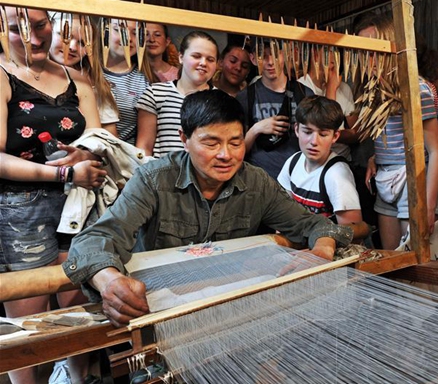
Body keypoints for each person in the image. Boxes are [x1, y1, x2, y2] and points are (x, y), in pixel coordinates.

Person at [63, 89, 352, 327]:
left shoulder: (256, 183)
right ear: (184, 139)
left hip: (234, 309)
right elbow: (95, 239)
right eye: (211, 143)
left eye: (235, 142)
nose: (226, 155)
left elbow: (313, 224)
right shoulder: (154, 180)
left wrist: (322, 251)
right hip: (165, 311)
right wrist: (110, 281)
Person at [0, 8, 107, 384]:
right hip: (20, 209)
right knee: (26, 321)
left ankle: (77, 379)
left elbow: (99, 139)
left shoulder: (77, 80)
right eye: (17, 29)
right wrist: (62, 171)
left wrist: (89, 153)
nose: (32, 37)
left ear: (53, 26)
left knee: (77, 307)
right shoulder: (1, 76)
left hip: (79, 203)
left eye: (41, 26)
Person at [358, 15, 438, 250]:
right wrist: (376, 157)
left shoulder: (417, 88)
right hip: (385, 178)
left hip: (414, 180)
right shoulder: (373, 88)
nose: (368, 56)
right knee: (391, 260)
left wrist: (427, 205)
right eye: (362, 48)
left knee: (418, 263)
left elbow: (436, 151)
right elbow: (392, 136)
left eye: (374, 46)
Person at [277, 95, 362, 225]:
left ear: (335, 136)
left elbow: (353, 232)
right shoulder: (293, 163)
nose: (314, 142)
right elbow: (282, 215)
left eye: (323, 134)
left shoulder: (337, 175)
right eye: (307, 132)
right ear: (297, 129)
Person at [236, 40, 313, 179]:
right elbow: (236, 150)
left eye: (276, 54)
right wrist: (256, 129)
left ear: (286, 55)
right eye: (263, 56)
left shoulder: (304, 93)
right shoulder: (245, 97)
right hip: (259, 179)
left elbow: (316, 139)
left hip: (298, 178)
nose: (270, 62)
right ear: (253, 59)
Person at [136, 31, 218, 157]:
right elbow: (144, 148)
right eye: (196, 56)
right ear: (181, 57)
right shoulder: (155, 93)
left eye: (210, 59)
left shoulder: (222, 100)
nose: (203, 63)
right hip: (162, 174)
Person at [49, 12, 120, 138]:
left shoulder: (98, 87)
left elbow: (110, 138)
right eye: (65, 36)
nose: (72, 47)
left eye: (82, 43)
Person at [96, 19, 156, 145]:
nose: (128, 38)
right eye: (118, 30)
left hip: (128, 157)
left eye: (136, 33)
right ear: (103, 31)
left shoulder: (147, 81)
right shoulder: (87, 70)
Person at [297, 48, 357, 161]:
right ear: (315, 54)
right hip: (315, 161)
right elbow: (321, 127)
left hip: (343, 159)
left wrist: (331, 134)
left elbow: (356, 133)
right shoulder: (300, 87)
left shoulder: (344, 87)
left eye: (337, 51)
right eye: (329, 51)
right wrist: (331, 90)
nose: (335, 55)